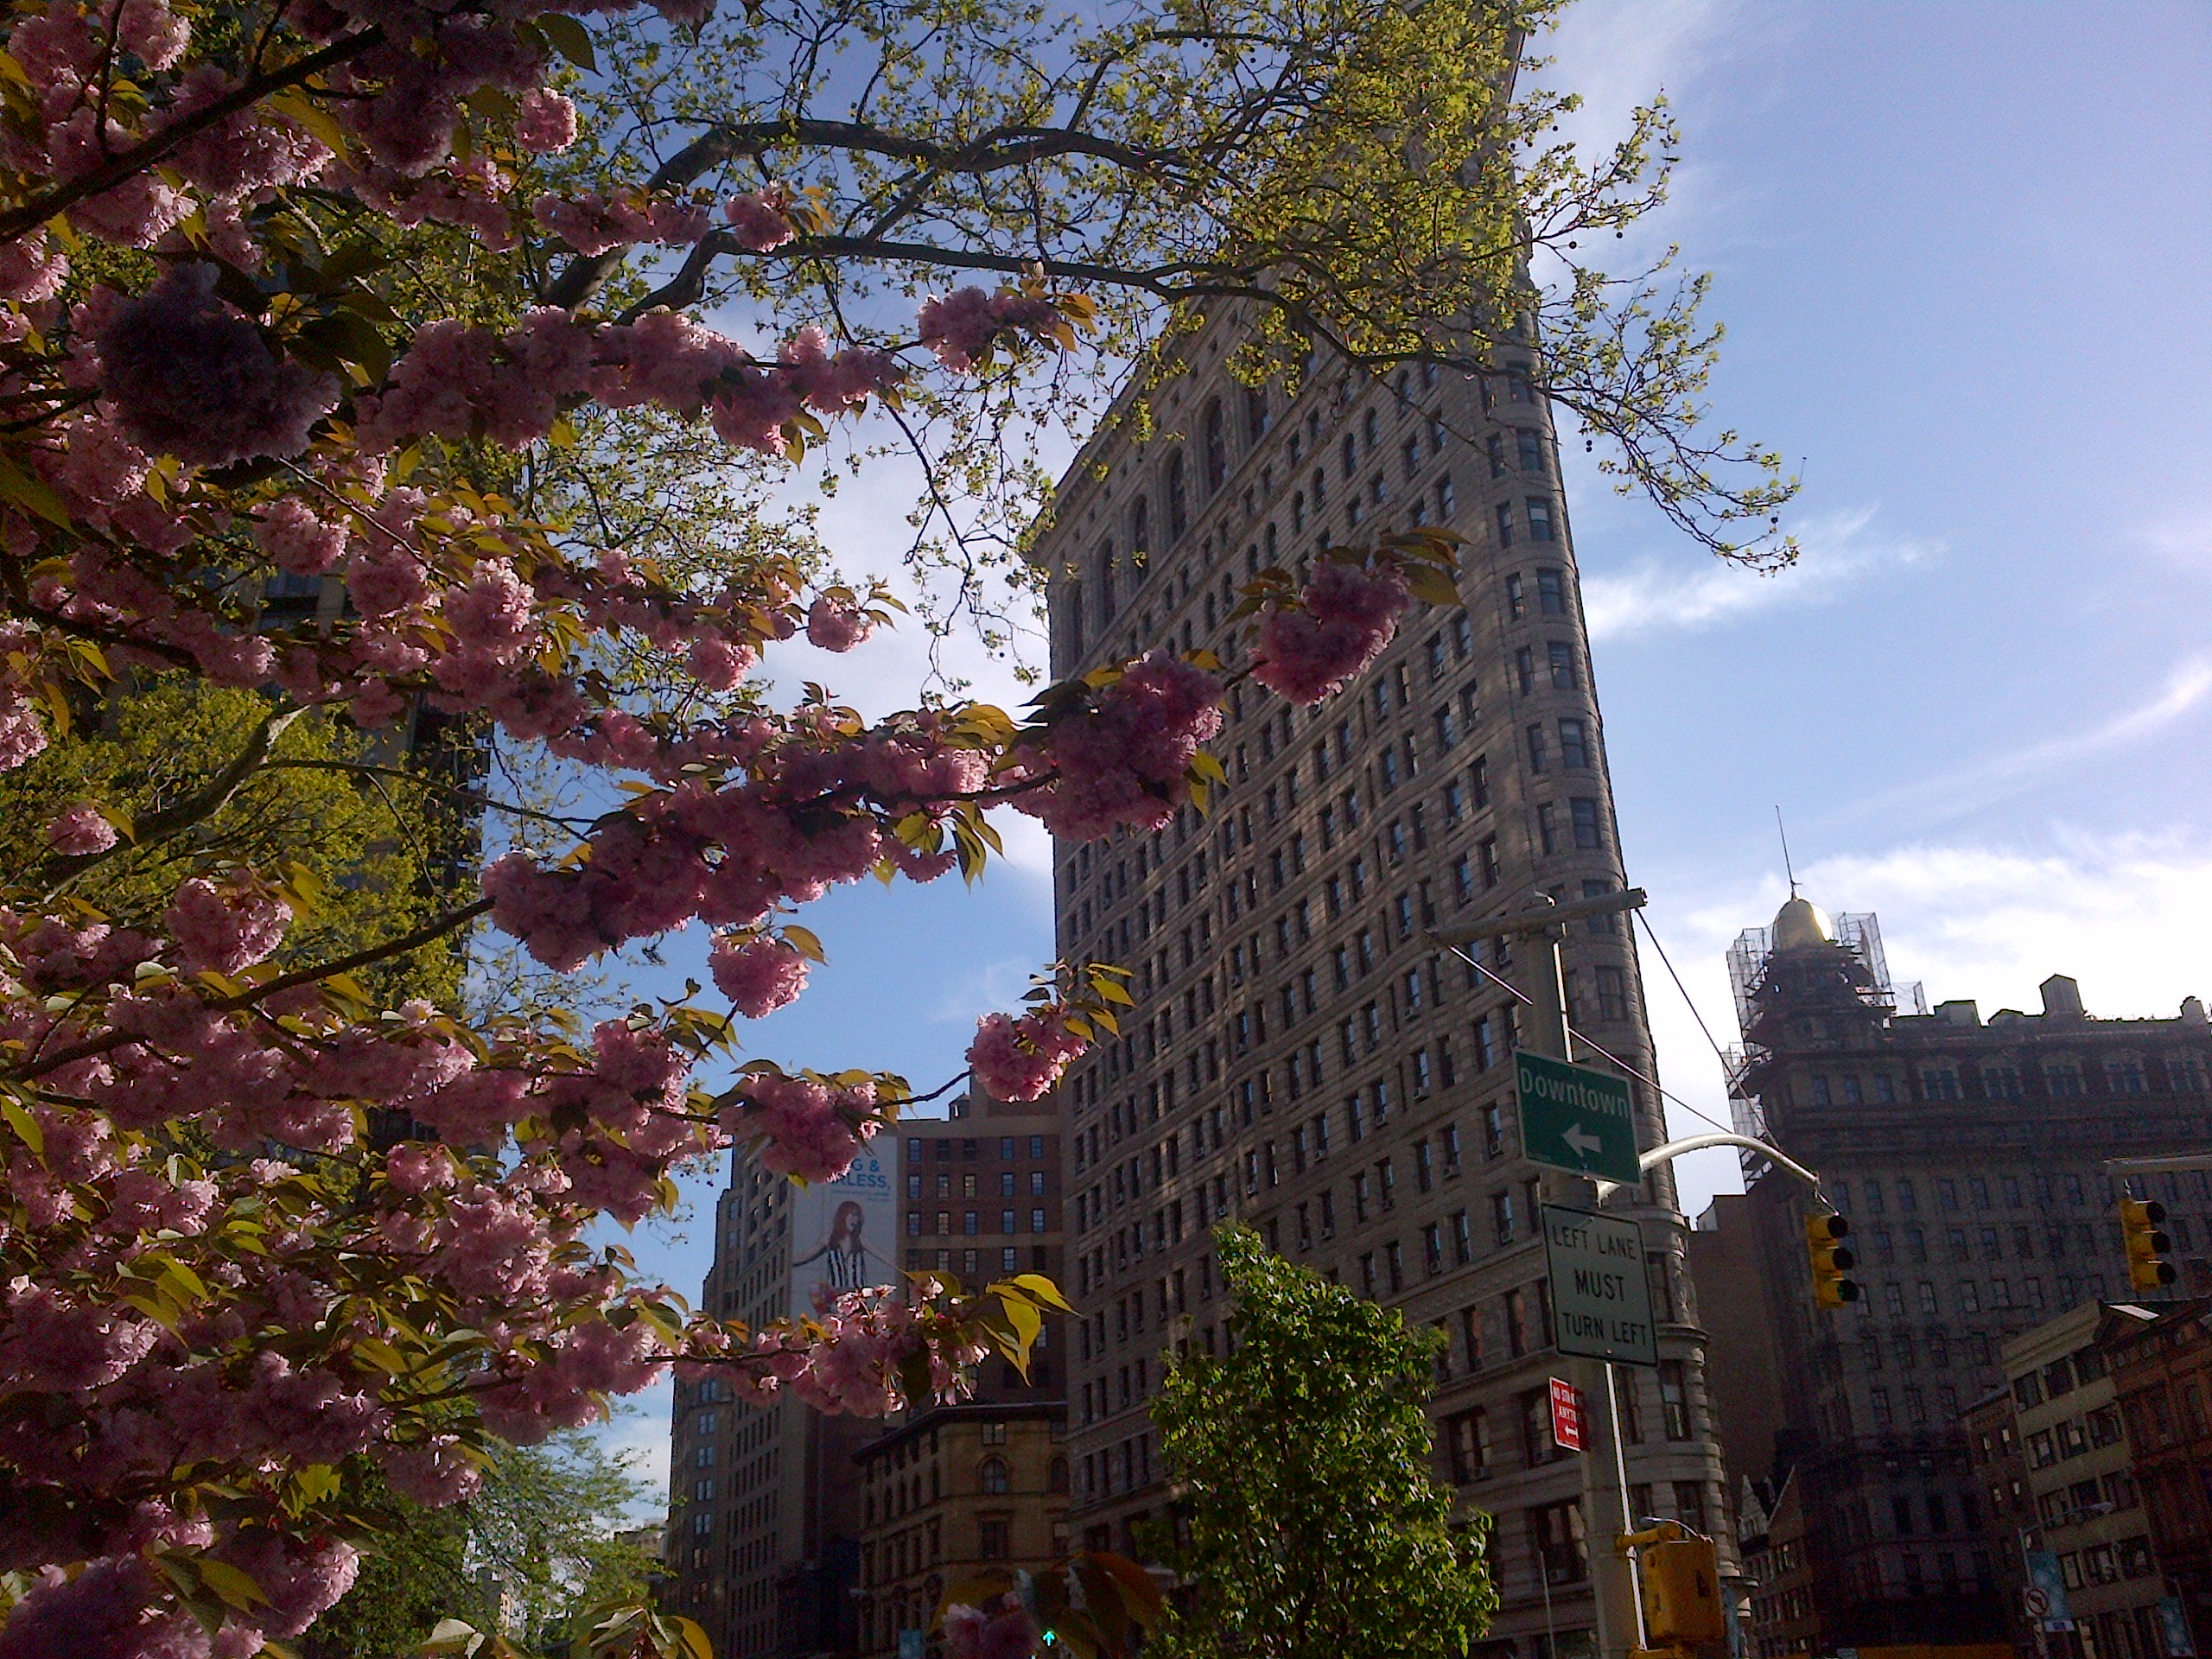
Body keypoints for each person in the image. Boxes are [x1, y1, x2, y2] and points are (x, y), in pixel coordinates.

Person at [795, 1198, 871, 1293]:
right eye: (852, 1215)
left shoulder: (859, 1240)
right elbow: (804, 1256)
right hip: (835, 1294)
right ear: (843, 1217)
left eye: (857, 1216)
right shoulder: (829, 1239)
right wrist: (782, 1263)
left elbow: (883, 1256)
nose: (855, 1219)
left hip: (856, 1295)